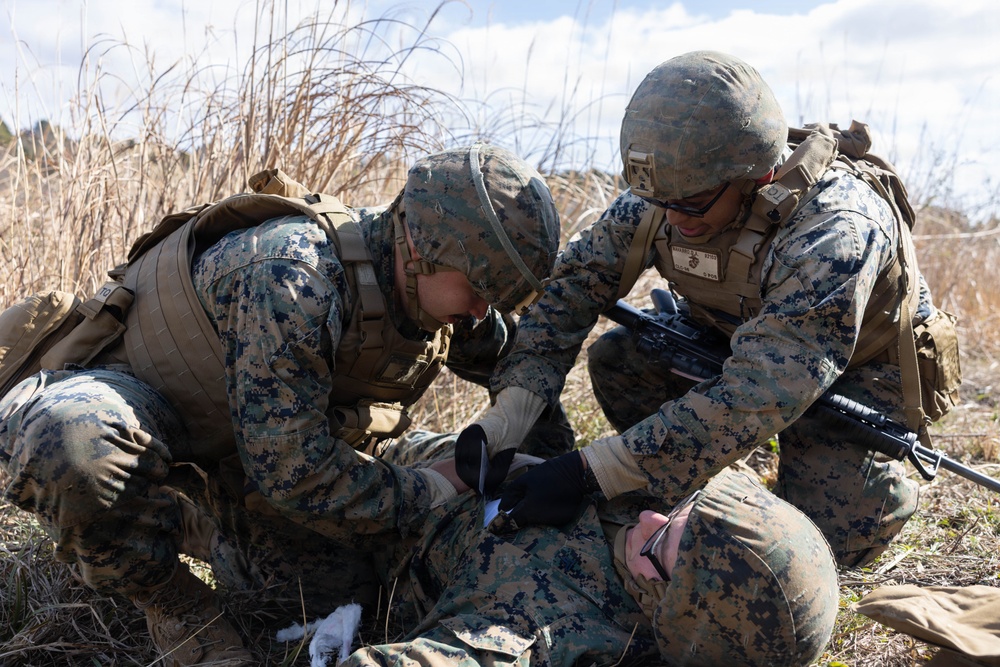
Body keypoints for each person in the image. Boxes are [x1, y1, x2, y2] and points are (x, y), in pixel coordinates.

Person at [0, 143, 566, 666]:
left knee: (316, 605)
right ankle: (175, 604)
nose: (479, 312)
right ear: (421, 248)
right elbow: (295, 474)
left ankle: (204, 528)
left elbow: (521, 364)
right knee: (71, 442)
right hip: (150, 410)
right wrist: (437, 486)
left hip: (248, 460)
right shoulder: (294, 277)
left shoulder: (435, 287)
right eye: (478, 291)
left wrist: (554, 463)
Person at [455, 50, 959, 569]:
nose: (674, 218)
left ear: (756, 176)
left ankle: (878, 481)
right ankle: (701, 465)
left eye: (692, 203)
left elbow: (763, 388)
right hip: (740, 343)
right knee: (621, 359)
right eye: (661, 201)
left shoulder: (836, 229)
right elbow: (569, 295)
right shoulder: (672, 194)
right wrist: (510, 414)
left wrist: (593, 471)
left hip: (854, 373)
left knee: (825, 547)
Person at [336, 459, 840, 667]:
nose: (649, 515)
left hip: (371, 514)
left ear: (667, 606)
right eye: (688, 506)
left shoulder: (539, 629)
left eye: (660, 540)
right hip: (466, 458)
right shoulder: (688, 517)